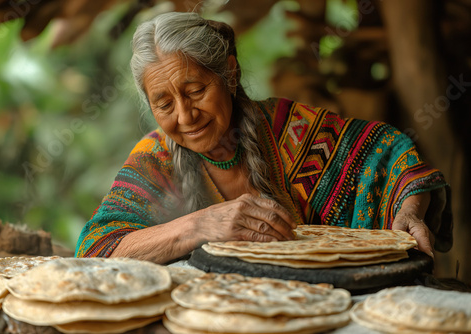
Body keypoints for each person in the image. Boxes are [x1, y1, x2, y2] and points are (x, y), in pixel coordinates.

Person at [75, 12, 452, 263]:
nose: (185, 116)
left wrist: (408, 211)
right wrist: (199, 225)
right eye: (164, 103)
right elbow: (95, 251)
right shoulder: (154, 159)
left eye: (194, 91)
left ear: (230, 74)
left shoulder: (291, 129)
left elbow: (387, 151)